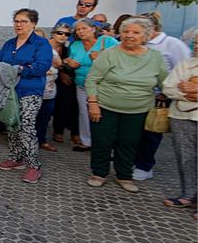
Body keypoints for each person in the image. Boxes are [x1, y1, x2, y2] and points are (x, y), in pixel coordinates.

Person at [85, 18, 167, 193]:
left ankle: (124, 175)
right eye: (126, 31)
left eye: (136, 32)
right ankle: (99, 173)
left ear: (145, 35)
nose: (129, 35)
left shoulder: (155, 57)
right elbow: (92, 79)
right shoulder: (109, 53)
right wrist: (93, 103)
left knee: (129, 142)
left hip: (139, 110)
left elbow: (165, 82)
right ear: (120, 34)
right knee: (102, 141)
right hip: (105, 106)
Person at [0, 8, 52, 184]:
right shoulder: (9, 43)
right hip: (9, 91)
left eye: (23, 21)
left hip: (30, 91)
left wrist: (19, 69)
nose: (19, 25)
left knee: (26, 126)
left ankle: (33, 166)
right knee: (11, 123)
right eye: (16, 21)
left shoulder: (41, 44)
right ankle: (16, 158)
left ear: (33, 24)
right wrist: (8, 70)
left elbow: (42, 66)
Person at [132, 12, 191, 180]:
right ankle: (133, 161)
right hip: (137, 95)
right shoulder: (135, 43)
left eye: (138, 29)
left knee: (151, 131)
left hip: (159, 97)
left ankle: (144, 166)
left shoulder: (172, 44)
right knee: (134, 131)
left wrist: (166, 92)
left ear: (151, 28)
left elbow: (184, 69)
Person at [63, 19, 118, 151]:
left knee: (105, 115)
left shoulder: (107, 41)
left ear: (93, 29)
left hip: (104, 85)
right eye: (78, 29)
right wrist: (67, 61)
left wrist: (102, 57)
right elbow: (71, 62)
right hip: (82, 84)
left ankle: (107, 145)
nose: (80, 31)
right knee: (84, 113)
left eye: (84, 28)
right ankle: (87, 141)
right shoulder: (75, 45)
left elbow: (121, 58)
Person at [161, 37, 197, 214]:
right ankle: (188, 194)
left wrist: (195, 90)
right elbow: (168, 88)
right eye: (196, 42)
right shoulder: (185, 64)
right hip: (181, 116)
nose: (197, 46)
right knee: (185, 157)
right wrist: (188, 94)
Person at [34, 27, 65, 152]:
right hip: (33, 92)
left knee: (44, 119)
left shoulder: (50, 51)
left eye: (40, 37)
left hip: (49, 92)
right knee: (29, 119)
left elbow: (58, 64)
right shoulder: (26, 52)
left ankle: (42, 141)